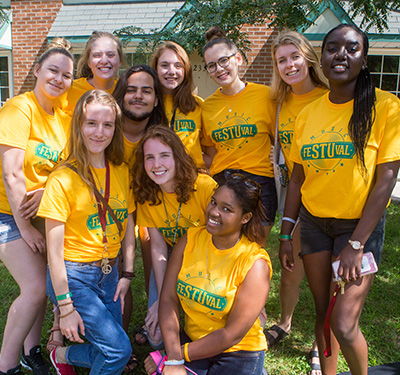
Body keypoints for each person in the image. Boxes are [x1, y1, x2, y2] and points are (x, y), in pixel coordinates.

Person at [279, 24, 400, 375]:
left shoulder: (386, 107)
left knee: (344, 323)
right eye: (332, 48)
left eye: (352, 49)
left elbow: (386, 179)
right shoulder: (308, 114)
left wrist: (357, 243)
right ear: (323, 57)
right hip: (316, 225)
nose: (341, 55)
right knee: (323, 314)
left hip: (358, 227)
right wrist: (286, 233)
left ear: (364, 60)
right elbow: (298, 178)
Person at [38, 90, 135, 375]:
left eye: (107, 125)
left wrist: (127, 273)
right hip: (74, 276)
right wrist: (65, 307)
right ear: (78, 125)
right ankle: (66, 355)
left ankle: (63, 355)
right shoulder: (61, 179)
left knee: (111, 349)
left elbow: (128, 225)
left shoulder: (120, 170)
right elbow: (53, 253)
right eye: (91, 123)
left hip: (110, 274)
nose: (99, 132)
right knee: (119, 350)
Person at [146, 174, 272, 375]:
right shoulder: (190, 239)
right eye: (214, 202)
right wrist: (172, 357)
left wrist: (175, 355)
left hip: (238, 351)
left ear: (245, 218)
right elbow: (168, 298)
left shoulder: (255, 263)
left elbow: (231, 335)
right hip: (195, 341)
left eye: (226, 209)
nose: (213, 211)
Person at [0, 47, 74, 375]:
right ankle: (5, 365)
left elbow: (68, 169)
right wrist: (26, 226)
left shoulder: (64, 118)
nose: (59, 79)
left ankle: (32, 352)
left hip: (43, 213)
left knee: (42, 284)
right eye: (53, 71)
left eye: (67, 75)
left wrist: (47, 189)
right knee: (34, 288)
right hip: (6, 212)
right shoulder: (19, 108)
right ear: (36, 69)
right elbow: (12, 172)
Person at [264, 31, 328, 374]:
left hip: (327, 197)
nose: (289, 65)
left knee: (327, 274)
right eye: (282, 60)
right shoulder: (279, 103)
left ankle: (322, 343)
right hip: (293, 194)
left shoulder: (331, 97)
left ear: (308, 58)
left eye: (294, 57)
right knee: (290, 269)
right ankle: (285, 323)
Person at [132, 126, 217, 349]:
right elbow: (159, 250)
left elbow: (227, 239)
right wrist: (162, 299)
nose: (156, 164)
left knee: (203, 327)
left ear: (177, 157)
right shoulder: (147, 194)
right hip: (172, 260)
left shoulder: (204, 187)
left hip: (209, 260)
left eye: (164, 156)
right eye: (149, 157)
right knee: (156, 337)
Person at [201, 26, 277, 245]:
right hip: (223, 182)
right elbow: (210, 150)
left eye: (224, 61)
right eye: (212, 65)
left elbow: (279, 142)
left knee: (254, 250)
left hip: (259, 183)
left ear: (239, 59)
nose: (219, 69)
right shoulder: (208, 108)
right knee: (224, 248)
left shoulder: (265, 97)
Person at [113, 65, 168, 359]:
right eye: (132, 89)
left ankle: (154, 327)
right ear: (121, 95)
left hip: (150, 215)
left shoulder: (160, 138)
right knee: (116, 276)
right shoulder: (105, 131)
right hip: (110, 215)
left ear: (156, 99)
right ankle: (118, 343)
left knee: (152, 275)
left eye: (147, 90)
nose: (138, 96)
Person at [151, 41, 205, 168]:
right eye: (164, 65)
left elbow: (209, 151)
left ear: (186, 70)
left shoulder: (198, 105)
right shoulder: (147, 105)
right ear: (155, 69)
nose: (171, 71)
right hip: (157, 177)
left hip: (192, 180)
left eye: (178, 66)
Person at [58, 31, 123, 116]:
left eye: (110, 55)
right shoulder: (68, 90)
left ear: (120, 61)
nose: (104, 61)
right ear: (88, 61)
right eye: (97, 55)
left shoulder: (127, 91)